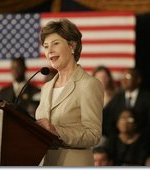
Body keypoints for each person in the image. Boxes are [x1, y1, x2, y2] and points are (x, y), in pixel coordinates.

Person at [35, 19, 104, 166]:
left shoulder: (89, 85)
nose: (49, 51)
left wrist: (57, 131)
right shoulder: (46, 87)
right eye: (46, 46)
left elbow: (93, 134)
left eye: (55, 43)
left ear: (72, 46)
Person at [102, 68, 150, 139]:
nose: (123, 80)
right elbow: (107, 119)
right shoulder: (117, 98)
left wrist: (136, 136)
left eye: (128, 77)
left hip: (142, 140)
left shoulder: (149, 98)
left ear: (138, 80)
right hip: (118, 141)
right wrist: (117, 136)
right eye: (122, 77)